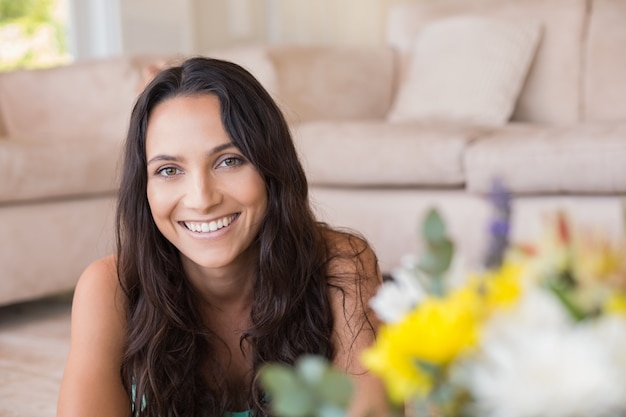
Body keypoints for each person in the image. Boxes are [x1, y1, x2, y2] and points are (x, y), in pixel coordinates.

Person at [57, 56, 387, 417]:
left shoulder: (342, 264)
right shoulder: (109, 286)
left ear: (271, 167)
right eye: (169, 170)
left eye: (229, 161)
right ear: (144, 188)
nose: (202, 199)